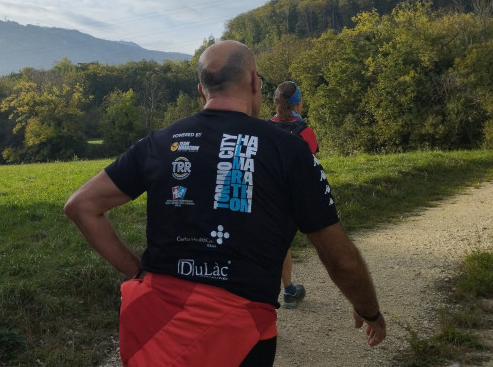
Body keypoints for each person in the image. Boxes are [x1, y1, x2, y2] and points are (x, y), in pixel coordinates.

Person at [64, 40, 385, 366]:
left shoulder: (159, 143)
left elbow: (81, 205)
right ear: (255, 82)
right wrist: (369, 310)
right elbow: (341, 260)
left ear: (201, 91)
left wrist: (137, 271)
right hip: (238, 337)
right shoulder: (288, 150)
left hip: (156, 329)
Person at [271, 80, 319, 309]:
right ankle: (288, 291)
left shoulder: (263, 128)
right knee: (282, 243)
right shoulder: (305, 132)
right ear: (298, 104)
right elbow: (311, 169)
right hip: (289, 199)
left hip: (258, 195)